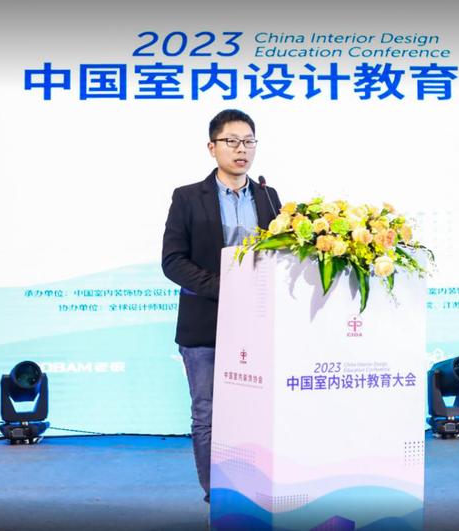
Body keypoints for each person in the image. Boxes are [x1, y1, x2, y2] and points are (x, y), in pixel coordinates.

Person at [161, 109, 281, 503]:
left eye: (248, 141)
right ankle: (218, 497)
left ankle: (256, 488)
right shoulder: (187, 197)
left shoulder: (268, 196)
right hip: (205, 325)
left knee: (257, 411)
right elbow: (173, 261)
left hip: (258, 326)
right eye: (232, 141)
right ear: (212, 148)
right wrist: (225, 287)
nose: (241, 149)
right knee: (208, 413)